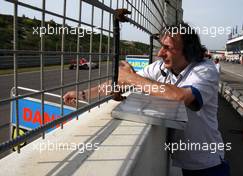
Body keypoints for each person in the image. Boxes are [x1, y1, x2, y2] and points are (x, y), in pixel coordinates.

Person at [63, 22, 230, 176]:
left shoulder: (205, 70)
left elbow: (182, 96)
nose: (160, 53)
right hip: (183, 160)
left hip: (209, 163)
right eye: (161, 47)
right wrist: (83, 94)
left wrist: (131, 78)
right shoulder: (161, 67)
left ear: (188, 50)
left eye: (167, 48)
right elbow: (120, 84)